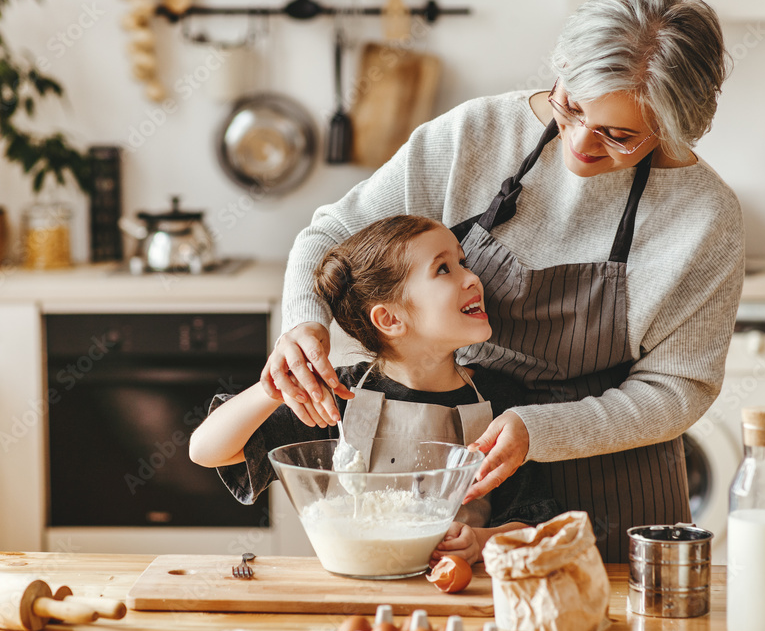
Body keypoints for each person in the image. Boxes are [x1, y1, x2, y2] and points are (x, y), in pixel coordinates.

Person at [260, 0, 745, 563]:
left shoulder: (704, 217)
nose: (581, 143)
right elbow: (330, 236)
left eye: (619, 136)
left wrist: (540, 430)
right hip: (467, 481)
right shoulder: (475, 135)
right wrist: (304, 321)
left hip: (616, 490)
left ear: (675, 126)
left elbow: (679, 388)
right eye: (570, 106)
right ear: (561, 69)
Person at [190, 215, 560, 565]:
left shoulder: (500, 400)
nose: (472, 278)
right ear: (390, 319)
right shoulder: (337, 396)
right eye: (444, 269)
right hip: (355, 590)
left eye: (463, 262)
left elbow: (535, 521)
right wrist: (273, 389)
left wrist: (482, 542)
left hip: (465, 599)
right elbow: (206, 451)